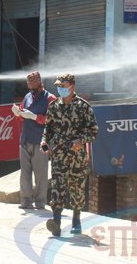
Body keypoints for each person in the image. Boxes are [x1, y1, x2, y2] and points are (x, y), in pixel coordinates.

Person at [42, 73, 98, 237]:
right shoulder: (53, 106)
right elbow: (47, 129)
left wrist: (81, 140)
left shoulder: (83, 106)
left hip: (76, 156)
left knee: (77, 188)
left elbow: (94, 131)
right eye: (58, 86)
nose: (60, 89)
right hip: (58, 155)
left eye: (63, 86)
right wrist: (44, 142)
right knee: (57, 186)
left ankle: (76, 220)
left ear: (72, 87)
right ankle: (56, 222)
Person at [12, 71, 55, 210]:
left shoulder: (50, 98)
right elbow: (22, 114)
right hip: (25, 139)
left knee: (41, 173)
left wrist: (35, 117)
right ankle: (26, 201)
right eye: (28, 83)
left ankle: (40, 202)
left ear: (39, 82)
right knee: (24, 173)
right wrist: (18, 113)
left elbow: (53, 120)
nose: (30, 86)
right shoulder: (27, 97)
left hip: (42, 141)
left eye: (33, 83)